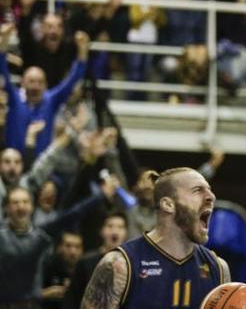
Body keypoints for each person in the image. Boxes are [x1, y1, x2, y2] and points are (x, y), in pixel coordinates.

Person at [81, 167, 230, 309]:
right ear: (168, 204)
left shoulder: (219, 268)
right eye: (197, 190)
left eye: (210, 191)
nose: (211, 197)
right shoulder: (120, 264)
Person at [1, 22, 89, 156]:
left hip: (41, 167)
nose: (35, 86)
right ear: (22, 82)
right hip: (13, 164)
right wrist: (4, 40)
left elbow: (73, 80)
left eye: (40, 82)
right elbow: (2, 70)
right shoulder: (14, 98)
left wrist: (83, 51)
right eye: (31, 81)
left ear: (46, 84)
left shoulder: (51, 100)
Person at [63, 212, 129, 309]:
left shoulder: (132, 263)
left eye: (120, 227)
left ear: (126, 232)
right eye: (110, 226)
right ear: (101, 231)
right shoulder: (85, 262)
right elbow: (72, 300)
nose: (115, 232)